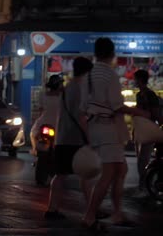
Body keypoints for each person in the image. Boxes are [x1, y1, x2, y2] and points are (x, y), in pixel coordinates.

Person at [81, 38, 149, 231]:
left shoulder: (89, 75)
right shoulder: (109, 74)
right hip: (108, 129)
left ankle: (117, 213)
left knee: (120, 171)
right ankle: (90, 216)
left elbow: (83, 106)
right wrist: (139, 112)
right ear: (112, 54)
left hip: (97, 128)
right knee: (109, 174)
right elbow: (117, 105)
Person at [45, 57, 94, 220]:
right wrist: (90, 136)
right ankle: (92, 210)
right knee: (86, 173)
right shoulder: (79, 88)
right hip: (74, 138)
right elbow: (80, 116)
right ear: (87, 72)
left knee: (60, 174)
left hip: (63, 137)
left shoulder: (69, 86)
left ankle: (52, 209)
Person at [134, 70, 160, 192]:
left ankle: (143, 185)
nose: (134, 82)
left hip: (148, 130)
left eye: (136, 79)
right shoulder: (139, 95)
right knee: (141, 158)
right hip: (141, 130)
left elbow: (156, 114)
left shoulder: (150, 94)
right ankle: (143, 183)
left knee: (143, 159)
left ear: (140, 80)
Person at [30, 75, 64, 156]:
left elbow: (40, 110)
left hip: (44, 121)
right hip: (58, 123)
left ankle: (34, 150)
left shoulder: (43, 94)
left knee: (32, 134)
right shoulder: (62, 96)